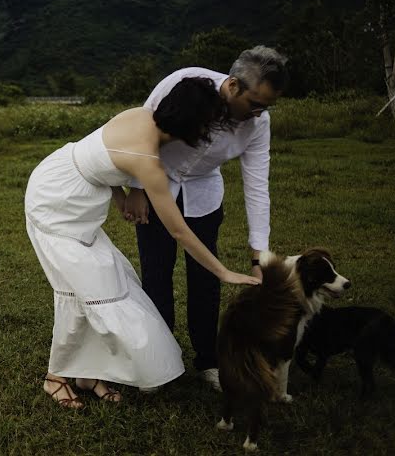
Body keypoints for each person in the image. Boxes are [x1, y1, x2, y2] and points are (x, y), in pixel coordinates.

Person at [25, 77, 261, 409]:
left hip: (78, 190)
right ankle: (56, 377)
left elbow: (97, 155)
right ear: (192, 124)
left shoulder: (140, 116)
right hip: (55, 200)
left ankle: (86, 373)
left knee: (103, 282)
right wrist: (222, 272)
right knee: (81, 290)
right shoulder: (147, 161)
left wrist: (120, 195)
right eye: (209, 125)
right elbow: (178, 231)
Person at [123, 46, 289, 392]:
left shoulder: (259, 124)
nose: (259, 114)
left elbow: (257, 186)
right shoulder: (182, 82)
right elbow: (141, 130)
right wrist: (135, 186)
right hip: (156, 183)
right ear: (232, 86)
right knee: (156, 274)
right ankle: (158, 360)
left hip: (203, 196)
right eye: (255, 104)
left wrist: (259, 254)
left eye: (267, 107)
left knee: (206, 278)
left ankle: (207, 359)